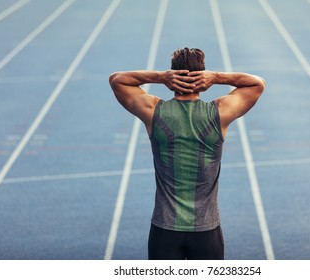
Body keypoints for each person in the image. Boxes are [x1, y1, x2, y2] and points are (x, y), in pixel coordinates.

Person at [109, 47, 265, 260]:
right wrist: (217, 77)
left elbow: (117, 80)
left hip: (164, 229)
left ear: (172, 75)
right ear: (204, 77)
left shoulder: (153, 111)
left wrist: (160, 77)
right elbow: (257, 83)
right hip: (206, 231)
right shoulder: (219, 112)